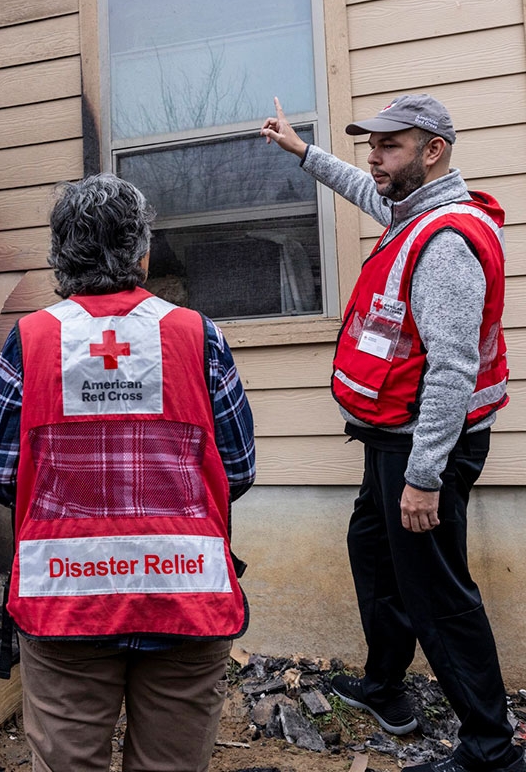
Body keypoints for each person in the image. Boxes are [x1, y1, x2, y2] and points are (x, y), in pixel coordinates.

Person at [261, 94, 524, 772]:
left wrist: (422, 476)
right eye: (371, 146)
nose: (372, 158)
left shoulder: (443, 241)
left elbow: (453, 369)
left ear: (432, 151)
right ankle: (386, 688)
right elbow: (360, 187)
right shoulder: (415, 213)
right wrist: (302, 151)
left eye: (390, 147)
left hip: (419, 446)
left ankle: (491, 749)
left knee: (436, 592)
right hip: (392, 439)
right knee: (373, 553)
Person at [0, 173, 256, 772]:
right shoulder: (200, 336)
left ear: (59, 257)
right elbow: (237, 468)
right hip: (185, 600)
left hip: (65, 602)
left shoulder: (30, 341)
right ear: (143, 252)